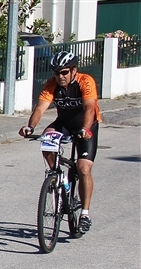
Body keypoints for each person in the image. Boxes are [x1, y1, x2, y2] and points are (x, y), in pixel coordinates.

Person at [19, 51, 102, 234]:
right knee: (46, 137)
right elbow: (40, 107)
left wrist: (86, 129)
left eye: (64, 72)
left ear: (73, 70)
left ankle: (85, 214)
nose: (60, 76)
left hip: (86, 126)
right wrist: (30, 127)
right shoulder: (52, 84)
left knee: (83, 168)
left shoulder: (85, 81)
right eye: (57, 73)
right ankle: (55, 175)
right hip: (64, 123)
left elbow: (89, 108)